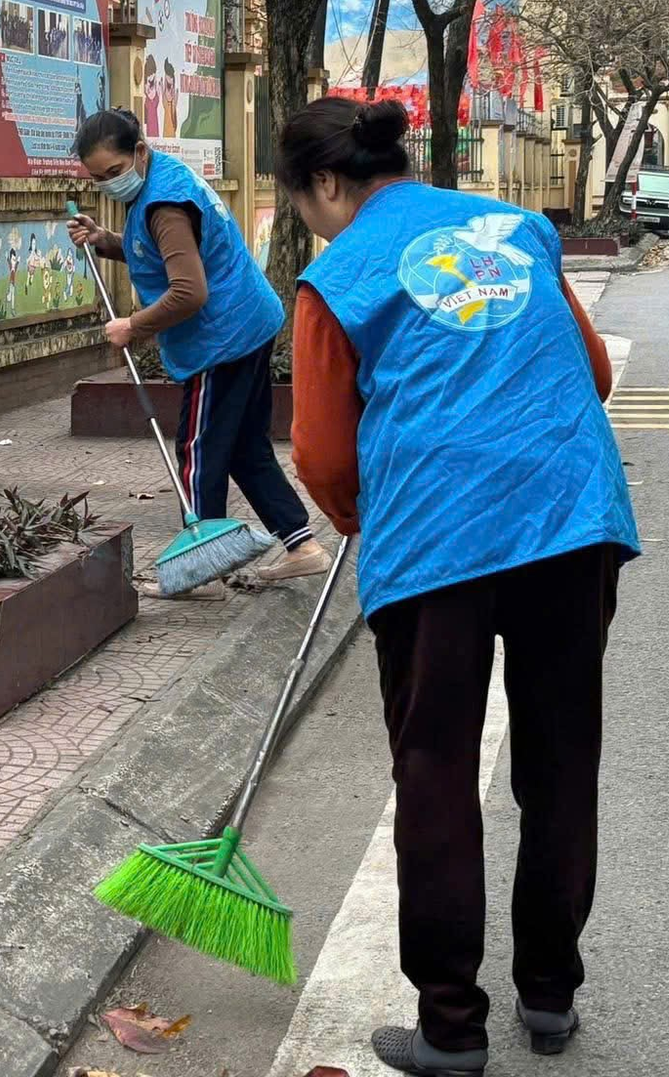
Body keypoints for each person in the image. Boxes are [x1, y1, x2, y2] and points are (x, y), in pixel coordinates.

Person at [274, 96, 639, 1076]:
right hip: (568, 515)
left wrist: (359, 511)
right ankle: (550, 992)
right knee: (559, 757)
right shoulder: (513, 228)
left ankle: (449, 1027)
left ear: (320, 184)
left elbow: (317, 451)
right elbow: (589, 371)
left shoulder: (335, 277)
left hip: (437, 536)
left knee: (434, 763)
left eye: (297, 200)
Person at [68, 107, 332, 587]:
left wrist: (134, 325)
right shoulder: (162, 178)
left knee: (198, 450)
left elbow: (189, 291)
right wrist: (107, 240)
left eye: (114, 171)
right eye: (98, 177)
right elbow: (164, 249)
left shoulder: (164, 203)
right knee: (244, 448)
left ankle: (202, 572)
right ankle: (302, 544)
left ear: (140, 152)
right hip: (249, 322)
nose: (108, 183)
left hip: (222, 339)